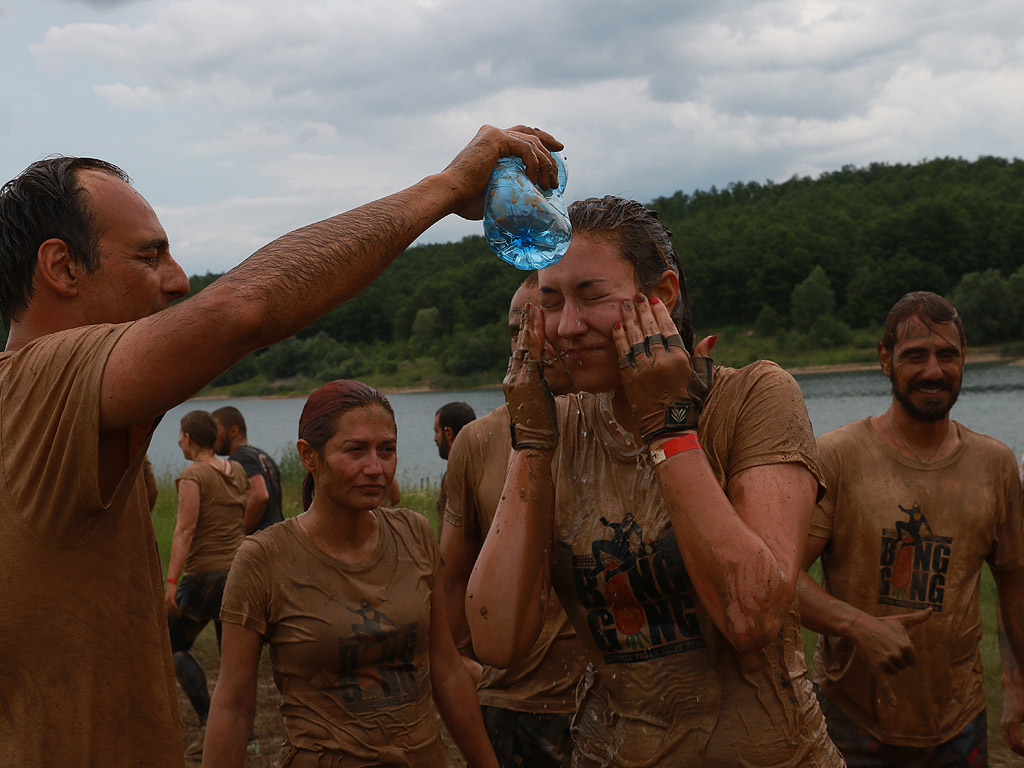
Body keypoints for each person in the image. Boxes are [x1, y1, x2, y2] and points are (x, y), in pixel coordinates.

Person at [0, 124, 562, 766]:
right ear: (62, 267)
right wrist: (445, 188)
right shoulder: (36, 383)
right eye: (149, 257)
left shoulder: (49, 418)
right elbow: (244, 311)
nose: (179, 280)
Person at [466, 196, 842, 767]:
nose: (567, 327)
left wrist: (667, 425)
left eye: (591, 296)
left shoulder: (753, 397)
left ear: (661, 296)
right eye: (550, 303)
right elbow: (495, 640)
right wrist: (531, 441)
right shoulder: (562, 425)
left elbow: (752, 616)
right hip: (609, 751)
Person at [203, 380, 498, 768]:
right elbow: (234, 704)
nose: (376, 468)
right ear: (309, 456)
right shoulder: (265, 558)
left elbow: (446, 670)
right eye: (356, 450)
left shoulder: (413, 534)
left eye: (387, 450)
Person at [797, 291, 1024, 766]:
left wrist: (1015, 683)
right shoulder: (838, 457)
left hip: (959, 720)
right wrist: (858, 626)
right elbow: (779, 578)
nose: (933, 371)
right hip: (851, 718)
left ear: (965, 358)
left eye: (948, 355)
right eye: (915, 355)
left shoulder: (995, 464)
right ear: (885, 359)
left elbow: (1013, 581)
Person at [440, 275, 586, 767]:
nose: (525, 344)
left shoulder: (614, 426)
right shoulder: (478, 441)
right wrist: (463, 665)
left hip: (613, 696)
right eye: (513, 331)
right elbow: (451, 574)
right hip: (510, 701)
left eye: (537, 326)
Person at [166, 410, 249, 756]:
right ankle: (248, 738)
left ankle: (206, 723)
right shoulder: (238, 470)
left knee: (169, 646)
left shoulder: (193, 475)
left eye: (180, 435)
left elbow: (185, 530)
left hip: (203, 577)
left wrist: (171, 582)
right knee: (232, 664)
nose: (178, 441)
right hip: (237, 573)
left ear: (188, 438)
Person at [212, 405, 284, 533]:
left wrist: (239, 536)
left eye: (216, 431)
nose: (212, 438)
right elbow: (278, 496)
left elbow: (259, 495)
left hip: (260, 542)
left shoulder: (240, 458)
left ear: (233, 431)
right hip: (278, 535)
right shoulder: (263, 456)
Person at [433, 401, 476, 539]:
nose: (435, 438)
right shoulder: (478, 467)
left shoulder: (455, 475)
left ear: (449, 433)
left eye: (437, 431)